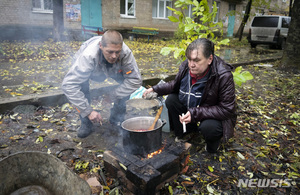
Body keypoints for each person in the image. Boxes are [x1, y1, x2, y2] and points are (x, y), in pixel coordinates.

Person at [143, 38, 237, 153]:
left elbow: (227, 109)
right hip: (194, 107)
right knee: (171, 100)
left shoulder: (223, 75)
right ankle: (185, 132)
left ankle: (212, 144)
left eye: (197, 60)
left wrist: (195, 113)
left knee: (209, 127)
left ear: (209, 59)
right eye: (189, 59)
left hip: (212, 113)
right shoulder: (186, 67)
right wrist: (155, 89)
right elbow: (176, 84)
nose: (191, 65)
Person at [62, 30, 142, 138]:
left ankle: (116, 119)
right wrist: (88, 111)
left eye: (117, 52)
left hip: (115, 69)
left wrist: (114, 95)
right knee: (82, 87)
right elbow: (69, 85)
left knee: (126, 83)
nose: (114, 56)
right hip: (93, 70)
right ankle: (86, 123)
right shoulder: (88, 56)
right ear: (101, 46)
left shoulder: (125, 53)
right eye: (110, 52)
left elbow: (135, 79)